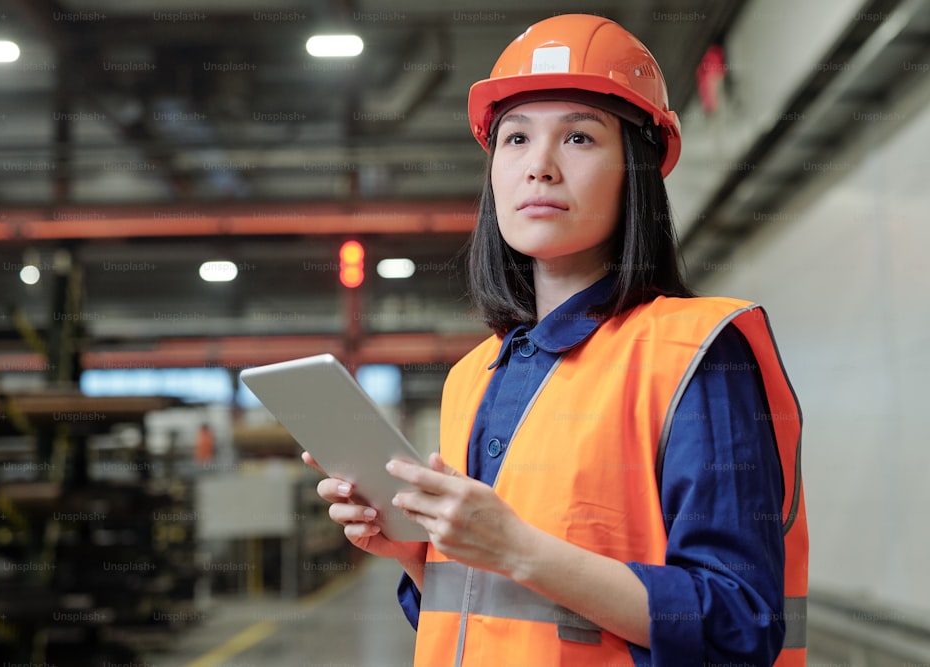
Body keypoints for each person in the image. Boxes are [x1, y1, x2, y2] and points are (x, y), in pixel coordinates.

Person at [304, 14, 808, 666]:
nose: (539, 166)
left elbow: (739, 623)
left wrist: (518, 545)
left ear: (638, 170)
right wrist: (415, 552)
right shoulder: (474, 376)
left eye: (578, 136)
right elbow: (484, 616)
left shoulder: (694, 355)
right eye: (515, 138)